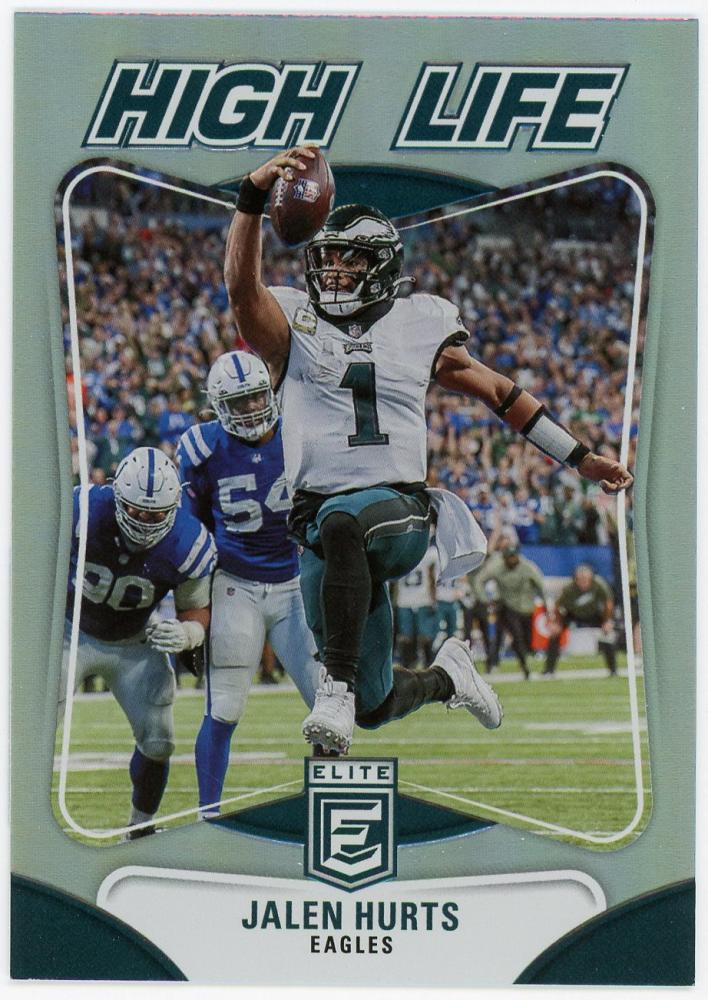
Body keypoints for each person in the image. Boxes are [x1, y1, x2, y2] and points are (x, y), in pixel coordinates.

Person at [223, 146, 634, 753]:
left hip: (400, 511)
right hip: (315, 522)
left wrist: (580, 457)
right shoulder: (294, 323)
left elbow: (500, 392)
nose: (333, 272)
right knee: (374, 704)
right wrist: (252, 198)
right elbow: (240, 286)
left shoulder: (420, 322)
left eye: (348, 259)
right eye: (326, 259)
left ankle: (333, 689)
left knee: (346, 525)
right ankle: (449, 678)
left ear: (383, 265)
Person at [176, 350, 319, 816]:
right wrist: (194, 608)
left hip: (295, 585)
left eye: (257, 396)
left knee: (329, 709)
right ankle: (208, 815)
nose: (253, 408)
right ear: (219, 406)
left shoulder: (300, 433)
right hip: (235, 584)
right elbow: (194, 532)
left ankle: (329, 809)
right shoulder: (202, 449)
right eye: (239, 402)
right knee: (224, 709)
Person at [64, 447, 216, 838]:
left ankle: (140, 827)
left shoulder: (188, 542)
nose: (144, 522)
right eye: (135, 510)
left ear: (174, 506)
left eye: (155, 515)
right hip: (68, 632)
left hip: (134, 639)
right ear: (117, 496)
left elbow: (196, 609)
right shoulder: (81, 509)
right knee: (29, 725)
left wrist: (187, 634)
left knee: (159, 739)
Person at [474, 543, 546, 678]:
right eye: (509, 557)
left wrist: (546, 606)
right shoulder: (497, 568)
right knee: (514, 634)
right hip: (506, 606)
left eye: (514, 557)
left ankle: (519, 660)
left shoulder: (528, 567)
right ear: (504, 558)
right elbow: (479, 581)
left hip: (525, 608)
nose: (512, 560)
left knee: (526, 639)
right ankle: (519, 666)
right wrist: (485, 600)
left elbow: (541, 585)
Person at [545, 564, 618, 676]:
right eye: (580, 580)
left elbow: (608, 604)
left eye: (586, 580)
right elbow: (557, 606)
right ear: (576, 579)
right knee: (554, 635)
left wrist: (607, 621)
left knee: (608, 635)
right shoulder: (568, 588)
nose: (583, 583)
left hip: (594, 613)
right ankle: (549, 670)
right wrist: (557, 623)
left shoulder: (599, 585)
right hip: (573, 614)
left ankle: (613, 670)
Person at [393, 545, 438, 668]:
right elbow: (431, 577)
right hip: (412, 599)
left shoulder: (402, 552)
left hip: (413, 599)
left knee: (417, 636)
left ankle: (415, 665)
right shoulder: (427, 553)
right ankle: (417, 665)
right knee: (411, 636)